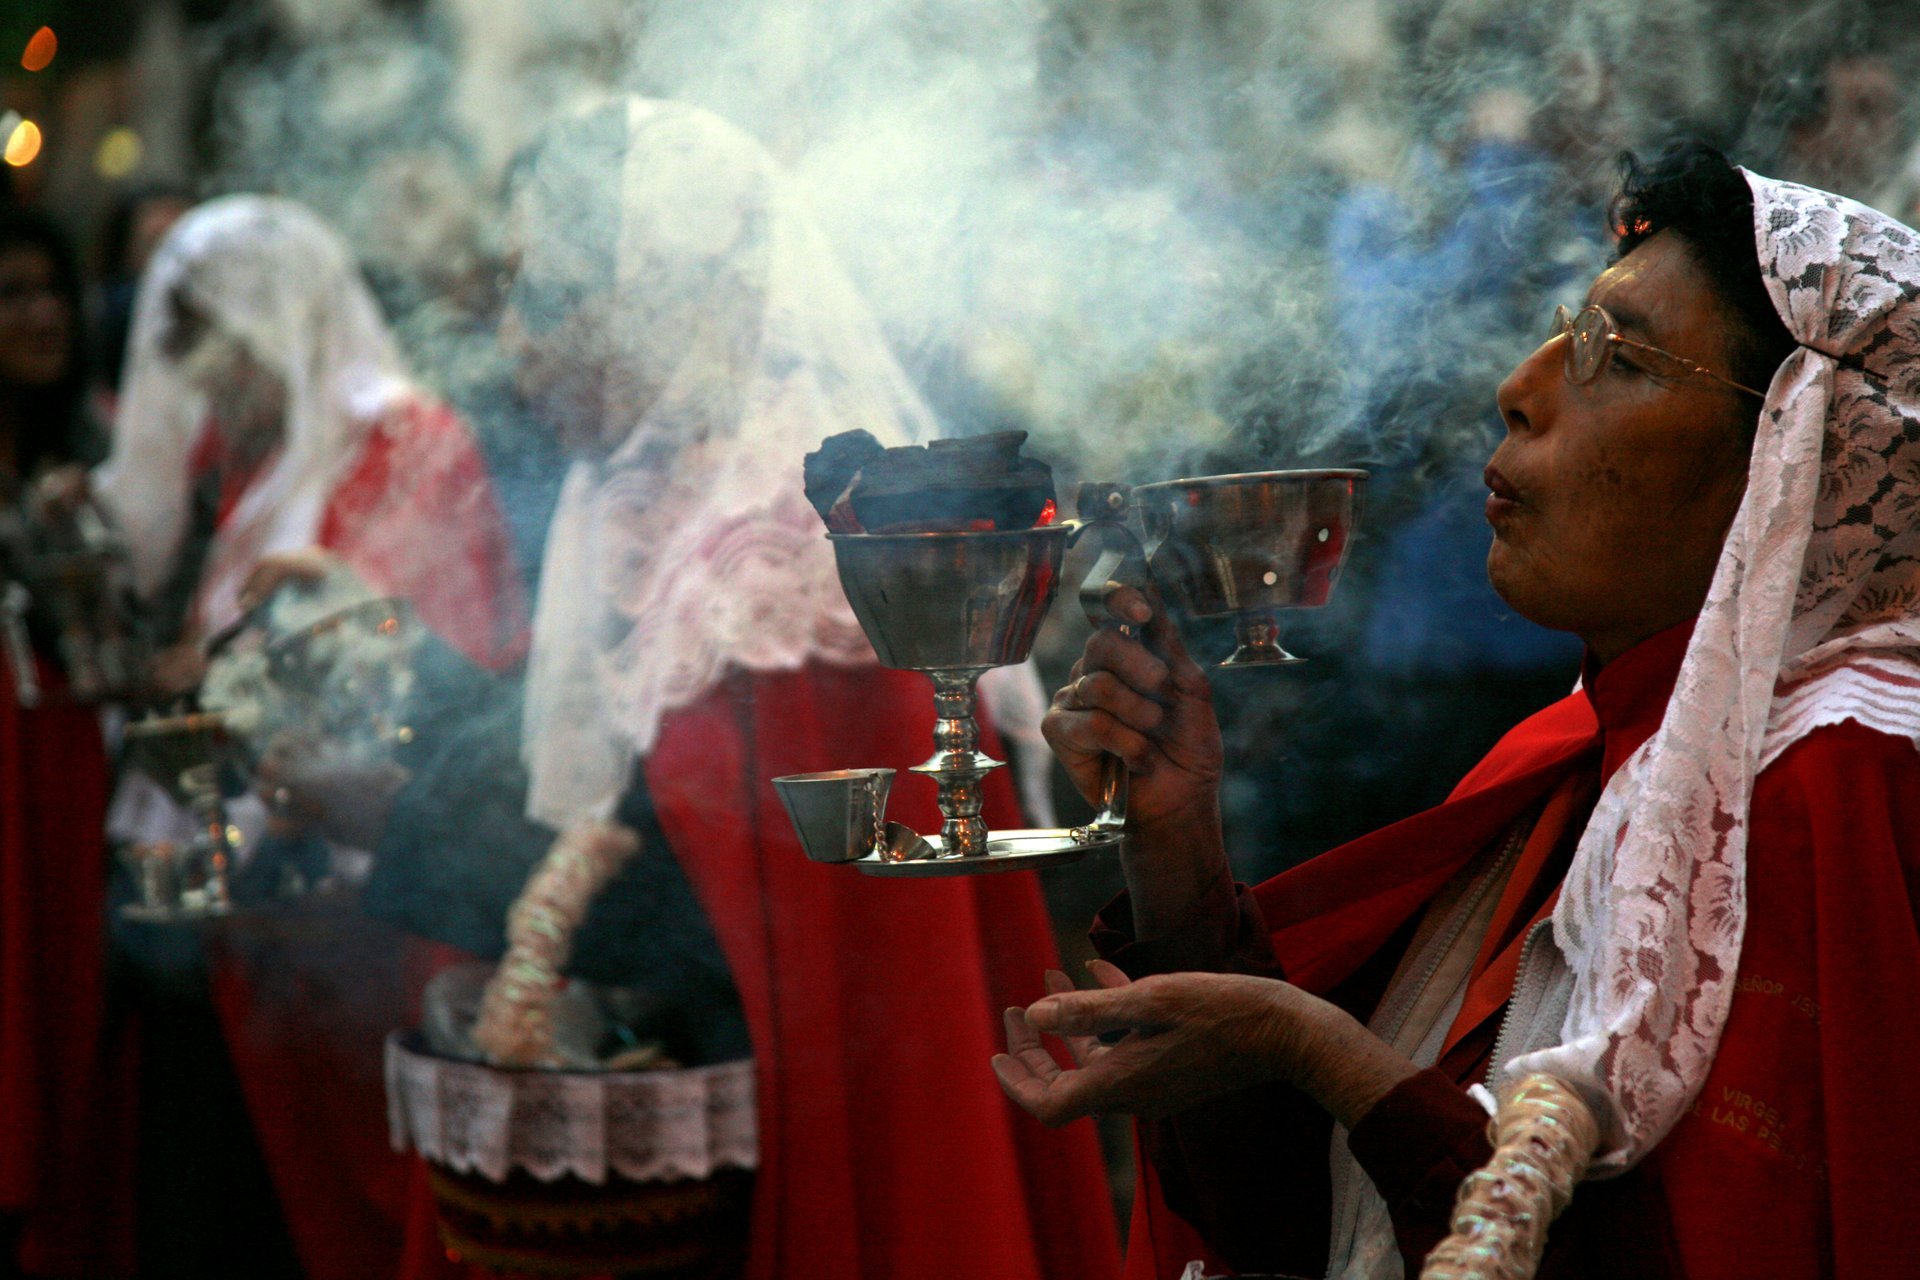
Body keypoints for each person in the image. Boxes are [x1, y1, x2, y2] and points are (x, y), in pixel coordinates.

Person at [995, 142, 1920, 1279]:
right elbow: (1335, 1225)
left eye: (1614, 356)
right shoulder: (1589, 743)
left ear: (1797, 458)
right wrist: (1176, 846)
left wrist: (1316, 1046)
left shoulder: (1837, 777)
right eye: (1560, 330)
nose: (1520, 388)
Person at [353, 97, 1123, 1280]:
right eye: (505, 294)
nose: (510, 344)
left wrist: (387, 825)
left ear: (665, 295)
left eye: (548, 298)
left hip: (778, 1162)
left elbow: (738, 928)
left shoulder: (791, 555)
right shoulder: (619, 486)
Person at [93, 194, 530, 1280]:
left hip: (379, 905)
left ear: (275, 318)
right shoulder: (263, 456)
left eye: (209, 333)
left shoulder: (408, 438)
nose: (195, 369)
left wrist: (269, 659)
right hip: (272, 917)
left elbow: (454, 662)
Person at [0, 206, 133, 1279]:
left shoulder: (100, 433)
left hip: (74, 772)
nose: (38, 314)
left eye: (50, 290)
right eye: (10, 294)